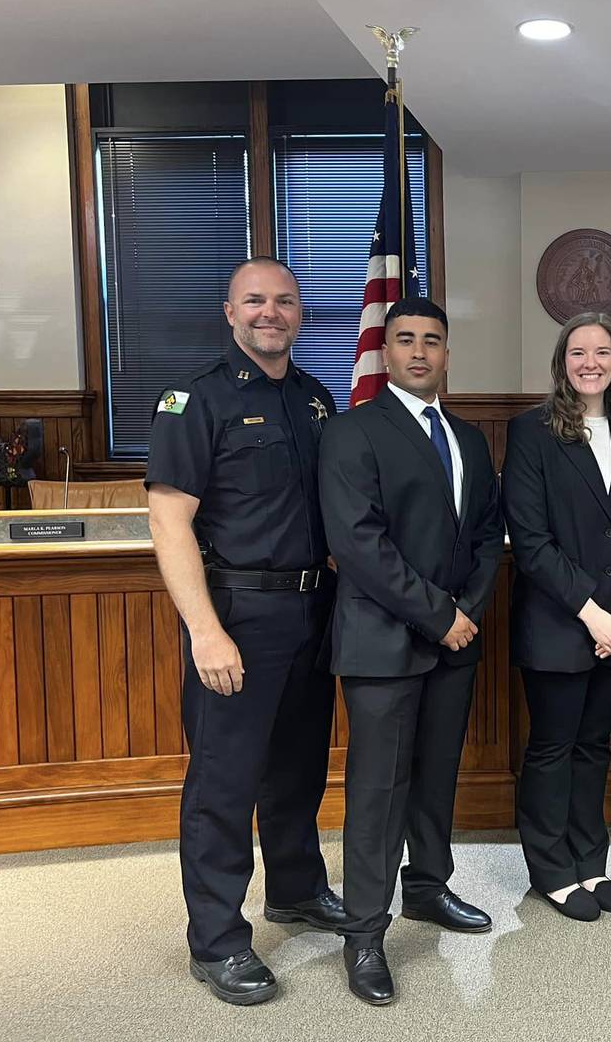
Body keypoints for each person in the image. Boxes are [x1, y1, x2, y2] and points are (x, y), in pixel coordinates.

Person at [146, 257, 346, 1006]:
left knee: (296, 769)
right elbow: (169, 521)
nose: (271, 312)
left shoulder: (315, 397)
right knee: (223, 784)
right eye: (255, 301)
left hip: (312, 610)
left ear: (300, 314)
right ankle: (218, 941)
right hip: (236, 614)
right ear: (229, 312)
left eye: (284, 301)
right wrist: (204, 630)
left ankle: (294, 890)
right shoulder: (194, 400)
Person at [318, 296, 504, 1006]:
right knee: (378, 792)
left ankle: (428, 888)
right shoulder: (352, 432)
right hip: (383, 645)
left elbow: (489, 536)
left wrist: (467, 614)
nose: (420, 352)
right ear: (384, 352)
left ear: (447, 354)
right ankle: (364, 933)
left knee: (434, 779)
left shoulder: (469, 439)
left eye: (432, 340)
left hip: (454, 641)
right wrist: (439, 616)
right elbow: (358, 545)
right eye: (406, 340)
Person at [502, 313, 611, 922]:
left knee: (594, 747)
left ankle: (590, 861)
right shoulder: (531, 433)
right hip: (559, 625)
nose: (589, 362)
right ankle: (551, 870)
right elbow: (532, 540)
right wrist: (595, 616)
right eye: (578, 352)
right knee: (553, 747)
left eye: (601, 351)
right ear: (561, 362)